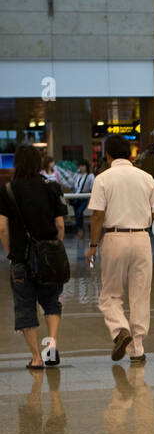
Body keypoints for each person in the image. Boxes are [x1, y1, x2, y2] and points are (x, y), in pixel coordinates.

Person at [87, 134, 154, 363]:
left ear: (108, 155)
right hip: (142, 238)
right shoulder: (146, 177)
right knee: (140, 293)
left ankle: (120, 330)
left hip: (114, 237)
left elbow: (97, 216)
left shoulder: (103, 179)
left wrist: (92, 246)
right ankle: (138, 348)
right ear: (131, 153)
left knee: (110, 295)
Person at [0, 145, 68, 370]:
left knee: (25, 306)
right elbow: (60, 224)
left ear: (17, 163)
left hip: (21, 257)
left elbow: (2, 227)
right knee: (51, 302)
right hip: (50, 255)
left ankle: (37, 358)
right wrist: (55, 246)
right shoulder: (52, 187)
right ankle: (52, 345)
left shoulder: (8, 189)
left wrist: (12, 253)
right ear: (38, 163)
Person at [69, 160, 94, 239]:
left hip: (84, 197)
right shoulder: (77, 175)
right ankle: (79, 230)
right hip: (76, 197)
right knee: (77, 214)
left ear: (86, 167)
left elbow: (92, 187)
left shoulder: (90, 176)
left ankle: (80, 231)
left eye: (83, 166)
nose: (81, 167)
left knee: (79, 212)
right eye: (80, 166)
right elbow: (73, 186)